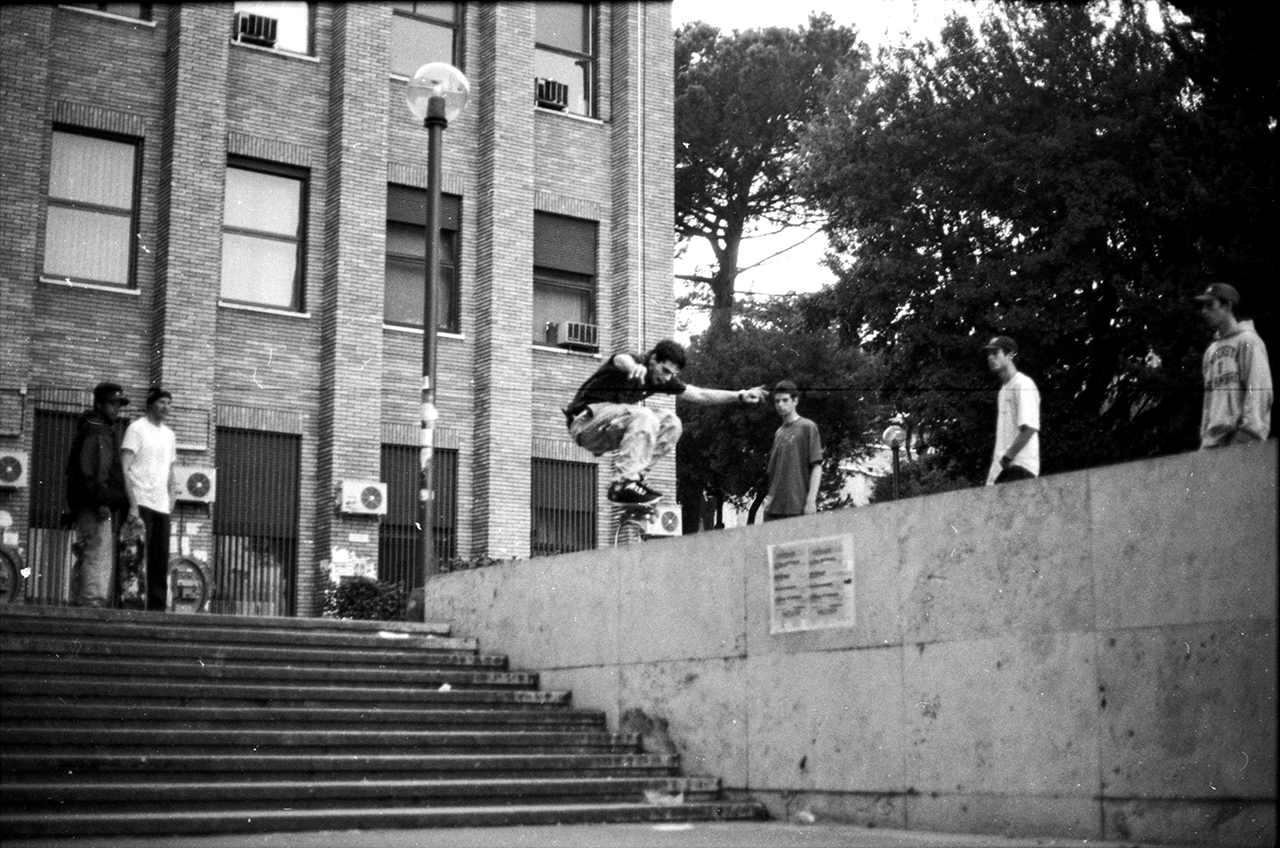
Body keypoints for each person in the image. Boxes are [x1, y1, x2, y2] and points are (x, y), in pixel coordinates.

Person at [565, 338, 766, 505]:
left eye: (673, 375)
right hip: (585, 423)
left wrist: (739, 396)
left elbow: (700, 394)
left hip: (608, 430)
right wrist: (633, 367)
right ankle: (622, 483)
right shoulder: (637, 362)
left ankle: (635, 479)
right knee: (645, 416)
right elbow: (619, 359)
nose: (667, 378)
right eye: (666, 371)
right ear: (653, 360)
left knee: (672, 423)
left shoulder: (663, 379)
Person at [65, 382, 131, 607]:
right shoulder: (98, 429)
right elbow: (94, 470)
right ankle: (91, 602)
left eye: (118, 404)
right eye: (112, 404)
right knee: (98, 552)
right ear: (100, 404)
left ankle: (81, 599)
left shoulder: (92, 426)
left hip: (86, 502)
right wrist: (101, 501)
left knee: (87, 552)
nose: (116, 409)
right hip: (95, 504)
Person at [1195, 283, 1272, 448]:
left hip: (1241, 440)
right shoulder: (1211, 352)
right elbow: (1209, 402)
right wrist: (1205, 438)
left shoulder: (1249, 341)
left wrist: (1249, 434)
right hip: (1212, 443)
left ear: (1227, 305)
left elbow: (1259, 389)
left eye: (1210, 305)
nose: (1204, 311)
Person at [122, 386, 178, 611]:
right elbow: (125, 468)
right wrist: (133, 504)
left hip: (161, 506)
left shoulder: (169, 435)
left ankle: (157, 610)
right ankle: (132, 608)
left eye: (169, 403)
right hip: (141, 503)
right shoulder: (136, 429)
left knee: (159, 561)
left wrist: (172, 497)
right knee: (135, 558)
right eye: (162, 402)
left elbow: (171, 470)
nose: (166, 407)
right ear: (151, 404)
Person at [761, 380, 823, 521]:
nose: (780, 405)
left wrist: (811, 501)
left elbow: (817, 465)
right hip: (773, 507)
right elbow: (773, 472)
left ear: (795, 401)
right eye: (777, 401)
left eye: (785, 400)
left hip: (797, 506)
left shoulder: (808, 427)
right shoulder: (778, 433)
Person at [984, 336, 1040, 485]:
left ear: (1010, 355)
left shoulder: (1023, 384)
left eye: (995, 352)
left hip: (1019, 468)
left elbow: (1030, 427)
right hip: (1004, 471)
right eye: (988, 354)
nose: (990, 357)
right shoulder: (1003, 390)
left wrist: (1007, 457)